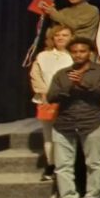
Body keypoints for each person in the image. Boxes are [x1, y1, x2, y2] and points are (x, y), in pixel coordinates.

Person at [46, 36, 100, 198]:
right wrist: (69, 87)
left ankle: (93, 196)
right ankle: (68, 197)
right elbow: (51, 97)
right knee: (62, 165)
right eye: (74, 52)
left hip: (91, 121)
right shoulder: (62, 74)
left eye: (82, 51)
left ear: (90, 52)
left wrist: (81, 83)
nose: (78, 55)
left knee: (94, 163)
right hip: (64, 123)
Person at [30, 24, 76, 182]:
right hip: (47, 100)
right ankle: (51, 166)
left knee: (67, 136)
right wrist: (44, 94)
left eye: (65, 35)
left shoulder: (75, 55)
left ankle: (68, 167)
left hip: (69, 101)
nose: (61, 38)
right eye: (58, 35)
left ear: (72, 37)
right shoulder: (43, 56)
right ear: (52, 38)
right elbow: (35, 76)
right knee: (49, 136)